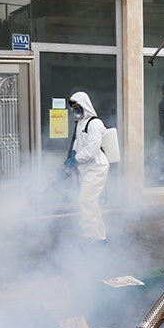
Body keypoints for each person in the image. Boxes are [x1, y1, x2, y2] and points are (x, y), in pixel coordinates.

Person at [64, 91, 110, 244]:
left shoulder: (95, 124)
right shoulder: (81, 123)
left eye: (77, 107)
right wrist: (71, 159)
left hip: (96, 168)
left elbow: (92, 150)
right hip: (86, 168)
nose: (75, 110)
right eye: (73, 108)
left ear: (84, 106)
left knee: (85, 201)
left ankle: (89, 238)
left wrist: (75, 159)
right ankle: (99, 237)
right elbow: (78, 144)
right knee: (91, 202)